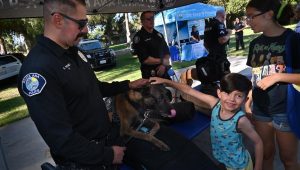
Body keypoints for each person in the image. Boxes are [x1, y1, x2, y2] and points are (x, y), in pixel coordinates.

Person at [17, 0, 148, 169]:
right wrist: (107, 155)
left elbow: (95, 87)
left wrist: (128, 85)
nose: (86, 30)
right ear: (58, 20)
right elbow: (60, 138)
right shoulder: (37, 70)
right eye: (81, 24)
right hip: (85, 160)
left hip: (106, 142)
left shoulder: (73, 52)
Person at [150, 73, 263, 170]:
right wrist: (166, 81)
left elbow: (258, 142)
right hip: (223, 160)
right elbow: (189, 90)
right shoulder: (214, 103)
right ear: (219, 93)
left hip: (239, 166)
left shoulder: (241, 120)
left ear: (245, 100)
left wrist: (257, 168)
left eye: (238, 95)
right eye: (227, 93)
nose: (231, 99)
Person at [245, 0, 300, 169]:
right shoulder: (254, 44)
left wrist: (278, 77)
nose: (248, 22)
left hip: (285, 109)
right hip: (261, 109)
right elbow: (255, 77)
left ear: (269, 14)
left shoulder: (293, 40)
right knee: (266, 153)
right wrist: (248, 101)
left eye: (251, 17)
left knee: (288, 159)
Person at [132, 11, 171, 79]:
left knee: (172, 88)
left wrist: (163, 65)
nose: (152, 21)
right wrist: (162, 61)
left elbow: (167, 52)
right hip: (150, 75)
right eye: (148, 19)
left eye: (152, 18)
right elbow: (145, 60)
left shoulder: (159, 35)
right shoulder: (139, 37)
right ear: (142, 21)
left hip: (164, 71)